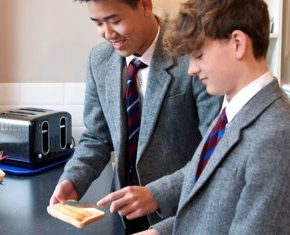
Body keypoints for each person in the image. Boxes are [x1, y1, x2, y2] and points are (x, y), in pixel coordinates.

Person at [49, 0, 221, 233]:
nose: (107, 34)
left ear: (145, 6)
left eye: (115, 21)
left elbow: (216, 152)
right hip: (121, 215)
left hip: (180, 213)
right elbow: (97, 138)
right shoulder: (99, 60)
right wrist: (73, 179)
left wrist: (158, 193)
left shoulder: (190, 57)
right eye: (98, 23)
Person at [131, 0, 290, 234]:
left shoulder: (276, 135)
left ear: (237, 43)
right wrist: (157, 232)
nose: (191, 69)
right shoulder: (230, 112)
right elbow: (210, 213)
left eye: (199, 55)